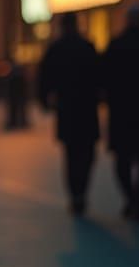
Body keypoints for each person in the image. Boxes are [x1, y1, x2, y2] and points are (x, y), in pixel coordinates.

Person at [37, 13, 101, 216]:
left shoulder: (56, 49)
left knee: (71, 154)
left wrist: (45, 101)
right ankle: (82, 190)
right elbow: (99, 76)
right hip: (87, 108)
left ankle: (75, 194)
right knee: (87, 153)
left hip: (67, 108)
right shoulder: (87, 47)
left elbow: (44, 78)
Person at [101, 5, 139, 222]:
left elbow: (103, 78)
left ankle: (131, 198)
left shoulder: (116, 46)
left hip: (121, 113)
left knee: (122, 161)